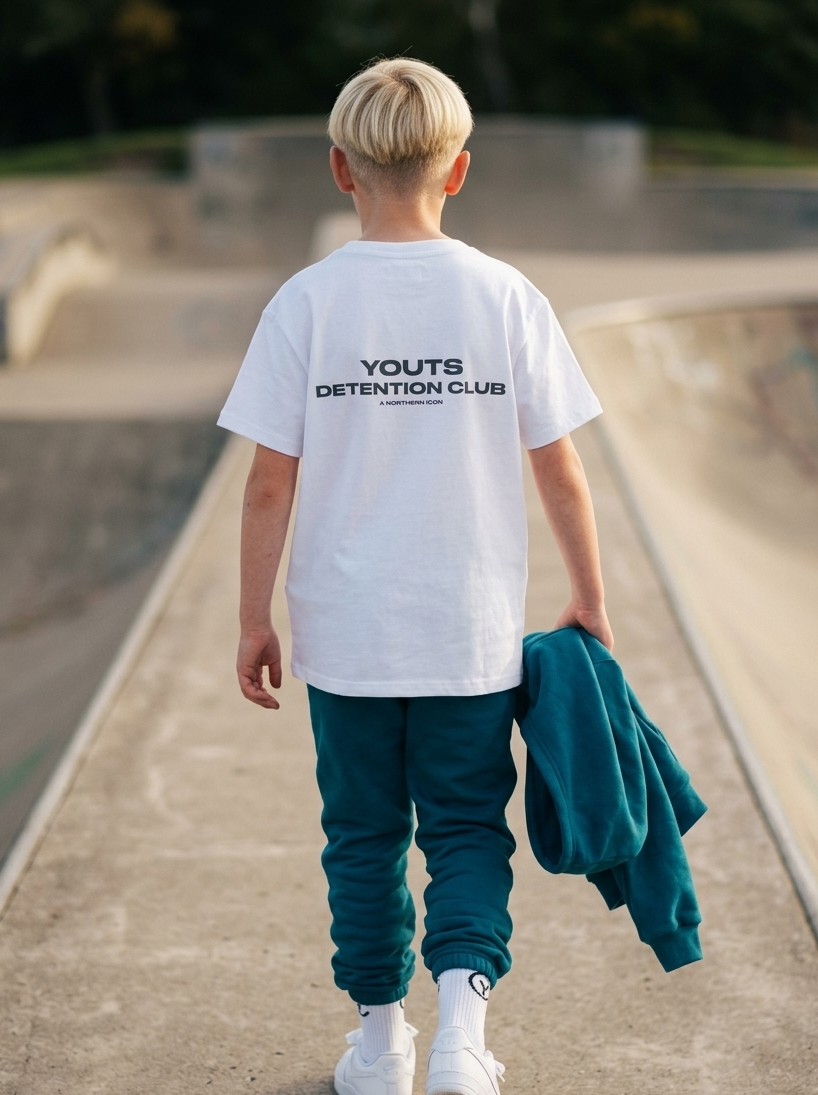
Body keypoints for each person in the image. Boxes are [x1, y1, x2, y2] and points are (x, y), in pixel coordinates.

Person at [217, 57, 613, 1095]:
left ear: (340, 171)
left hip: (345, 637)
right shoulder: (504, 295)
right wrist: (588, 596)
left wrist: (252, 618)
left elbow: (267, 483)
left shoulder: (304, 303)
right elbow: (558, 465)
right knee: (464, 829)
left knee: (361, 834)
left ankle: (381, 1041)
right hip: (466, 630)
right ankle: (458, 1045)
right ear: (460, 170)